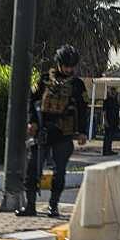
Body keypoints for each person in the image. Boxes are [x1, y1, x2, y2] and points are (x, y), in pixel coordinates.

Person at [16, 44, 88, 218]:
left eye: (72, 66)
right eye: (66, 65)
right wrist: (32, 122)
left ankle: (53, 206)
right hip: (42, 131)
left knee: (60, 171)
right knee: (32, 169)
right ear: (59, 63)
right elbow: (31, 102)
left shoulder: (78, 85)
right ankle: (30, 206)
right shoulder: (43, 80)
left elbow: (83, 108)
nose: (69, 69)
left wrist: (82, 132)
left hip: (64, 133)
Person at [102, 89, 120, 156]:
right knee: (107, 136)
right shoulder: (106, 101)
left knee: (111, 137)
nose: (113, 93)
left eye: (114, 92)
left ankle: (109, 150)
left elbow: (117, 112)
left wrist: (118, 121)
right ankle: (105, 151)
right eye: (112, 92)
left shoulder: (116, 101)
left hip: (114, 121)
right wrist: (105, 121)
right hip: (108, 120)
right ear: (109, 93)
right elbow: (104, 112)